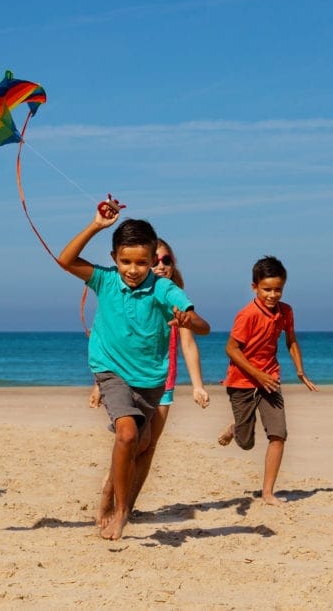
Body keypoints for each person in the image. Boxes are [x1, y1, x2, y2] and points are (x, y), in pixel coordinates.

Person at [59, 201, 211, 540]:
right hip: (110, 370)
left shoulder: (163, 288)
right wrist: (96, 225)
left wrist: (190, 320)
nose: (132, 269)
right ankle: (122, 510)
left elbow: (203, 327)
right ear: (114, 257)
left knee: (140, 446)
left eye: (141, 262)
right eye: (126, 261)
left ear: (152, 259)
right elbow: (65, 260)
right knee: (126, 435)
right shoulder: (105, 280)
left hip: (152, 380)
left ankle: (115, 500)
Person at [88, 237, 209, 513]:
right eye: (157, 261)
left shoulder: (172, 295)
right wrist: (98, 384)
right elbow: (111, 337)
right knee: (132, 441)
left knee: (149, 446)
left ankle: (127, 506)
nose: (162, 266)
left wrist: (198, 385)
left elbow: (189, 344)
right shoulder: (134, 291)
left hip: (163, 381)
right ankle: (111, 493)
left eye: (167, 261)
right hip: (130, 375)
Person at [217, 255, 318, 506]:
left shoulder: (286, 311)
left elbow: (291, 340)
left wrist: (300, 371)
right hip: (242, 382)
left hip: (270, 381)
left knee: (278, 434)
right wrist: (257, 374)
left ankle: (267, 492)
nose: (273, 295)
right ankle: (235, 428)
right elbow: (231, 349)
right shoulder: (247, 315)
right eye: (267, 289)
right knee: (246, 442)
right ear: (254, 287)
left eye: (278, 289)